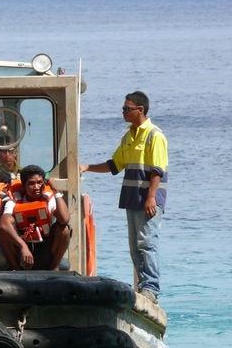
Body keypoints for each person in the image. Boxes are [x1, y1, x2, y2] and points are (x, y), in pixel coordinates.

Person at [80, 91, 168, 304]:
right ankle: (141, 286)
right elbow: (115, 165)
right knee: (134, 245)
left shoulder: (154, 135)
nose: (123, 112)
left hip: (148, 199)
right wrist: (87, 167)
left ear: (140, 110)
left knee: (147, 243)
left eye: (127, 109)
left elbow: (157, 170)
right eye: (123, 108)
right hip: (132, 198)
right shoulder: (129, 136)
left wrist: (151, 197)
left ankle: (151, 288)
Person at [0, 165, 71, 271]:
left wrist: (55, 191)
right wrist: (23, 246)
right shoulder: (15, 199)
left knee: (64, 229)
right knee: (3, 231)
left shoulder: (49, 198)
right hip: (23, 248)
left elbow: (64, 219)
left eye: (39, 182)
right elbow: (4, 223)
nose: (36, 187)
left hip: (45, 247)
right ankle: (16, 270)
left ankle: (54, 268)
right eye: (31, 183)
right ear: (24, 186)